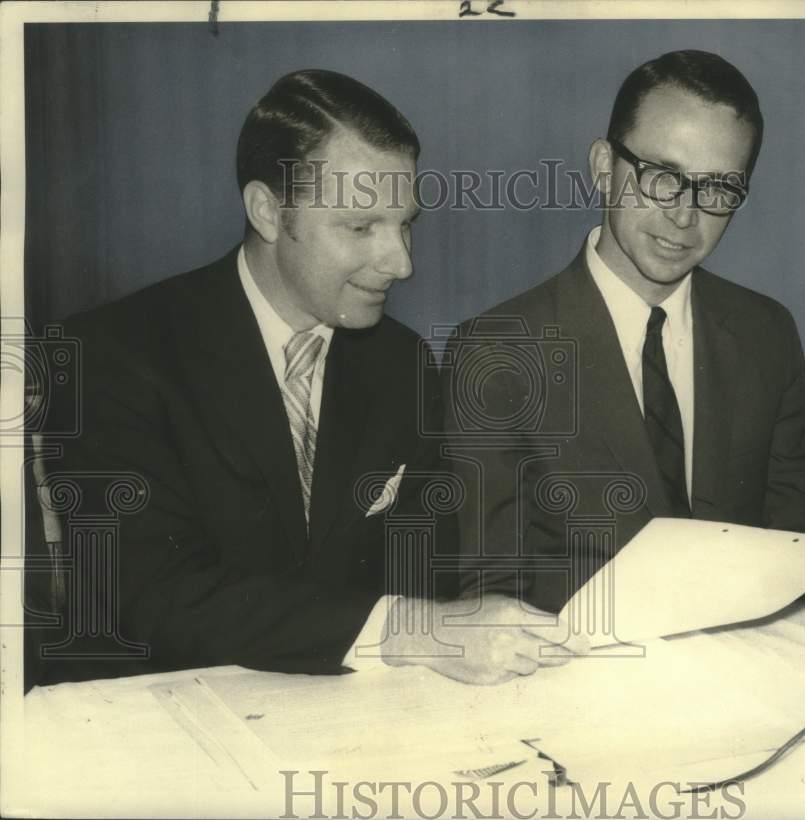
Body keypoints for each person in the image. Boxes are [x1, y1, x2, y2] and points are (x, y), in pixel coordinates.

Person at [38, 69, 586, 687]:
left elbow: (424, 572)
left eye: (405, 223)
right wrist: (409, 629)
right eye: (360, 227)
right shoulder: (112, 353)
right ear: (269, 211)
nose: (400, 262)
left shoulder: (401, 362)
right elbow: (146, 594)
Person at [444, 50, 805, 619]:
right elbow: (492, 589)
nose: (686, 216)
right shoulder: (495, 348)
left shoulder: (767, 332)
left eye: (720, 189)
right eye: (662, 178)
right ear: (604, 167)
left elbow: (795, 540)